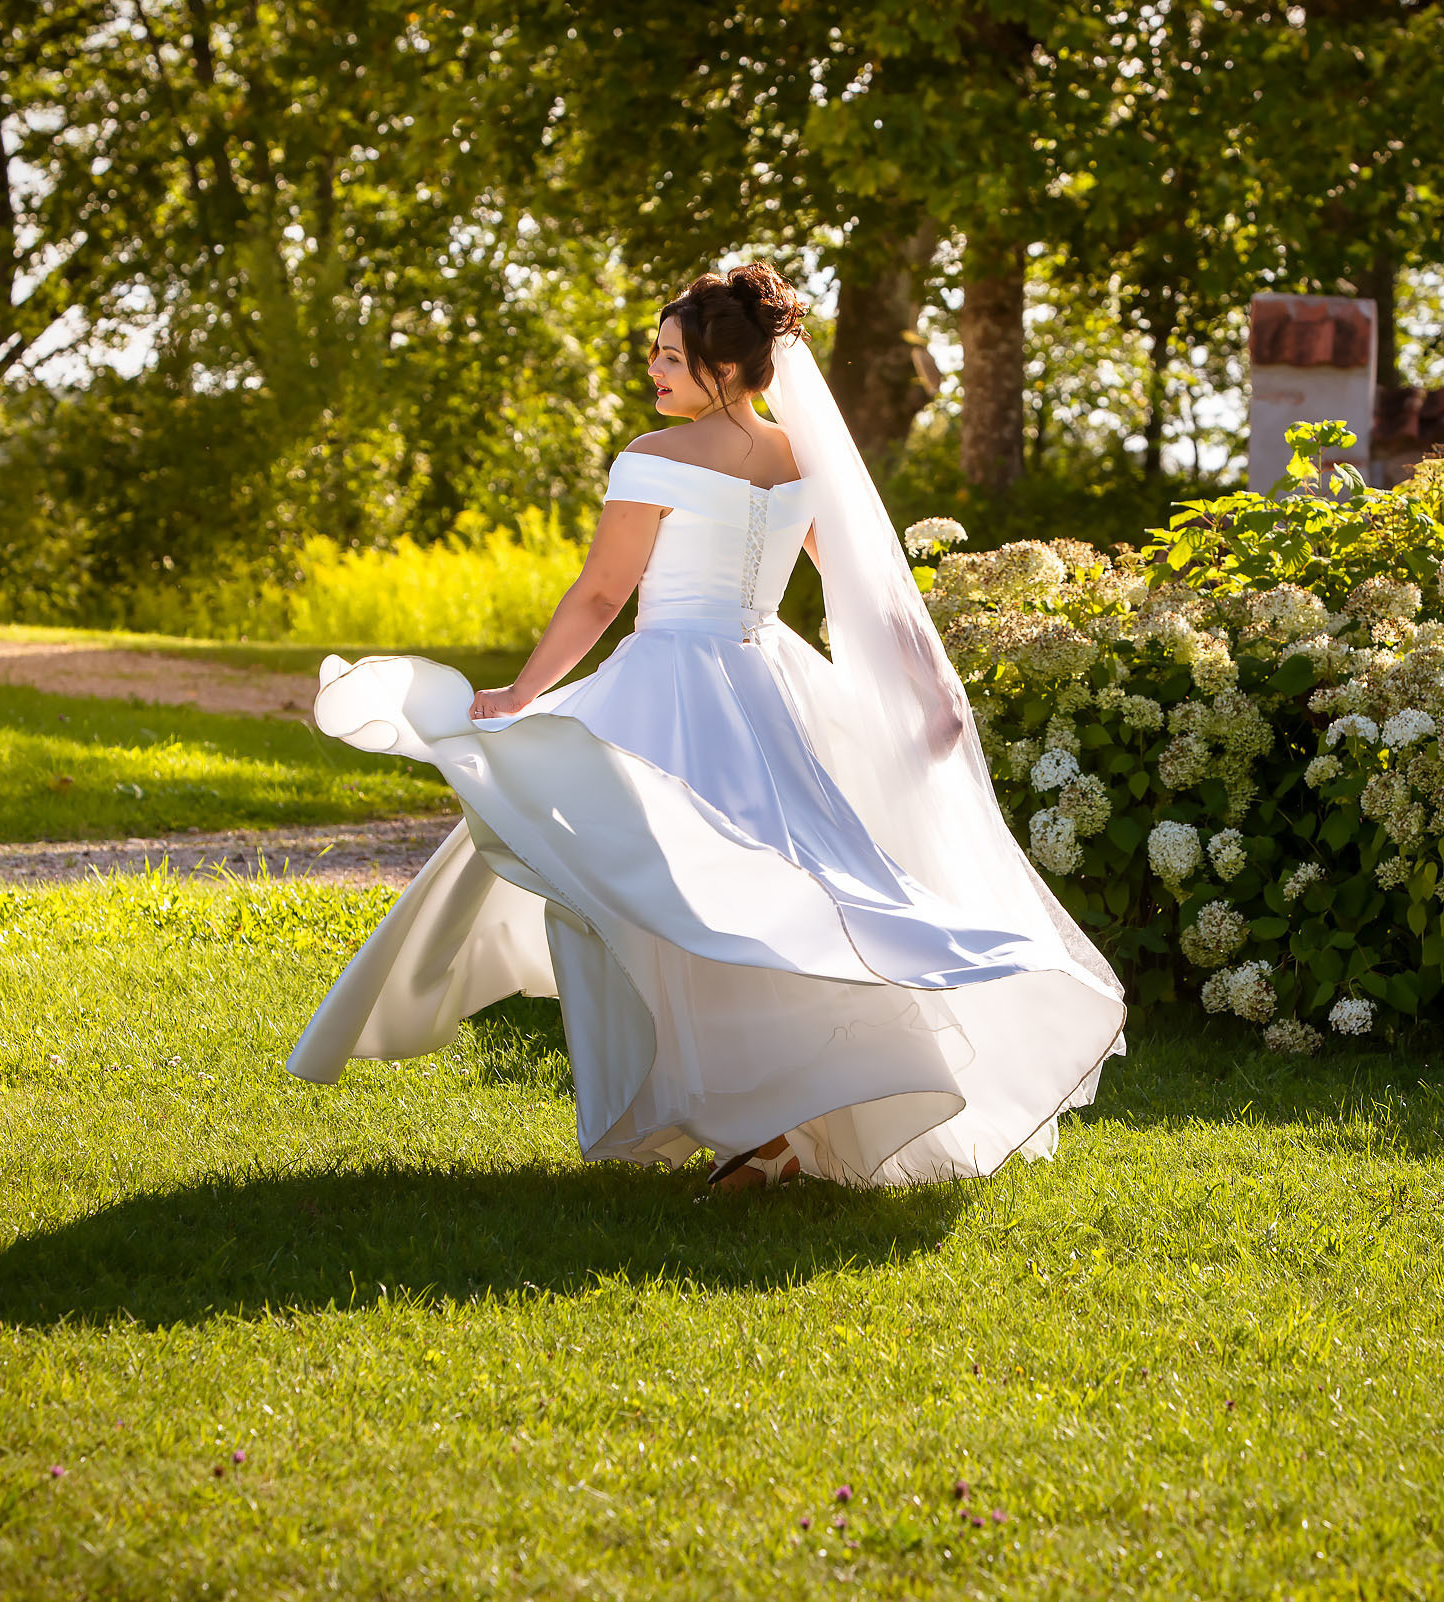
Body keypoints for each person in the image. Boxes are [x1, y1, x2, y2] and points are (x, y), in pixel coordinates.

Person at [287, 263, 1124, 1191]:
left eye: (672, 354)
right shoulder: (803, 460)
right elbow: (858, 584)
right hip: (774, 691)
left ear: (726, 369)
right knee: (781, 898)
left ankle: (756, 1124)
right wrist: (926, 687)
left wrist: (521, 693)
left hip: (672, 687)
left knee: (679, 901)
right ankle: (775, 1127)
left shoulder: (653, 456)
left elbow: (603, 593)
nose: (653, 367)